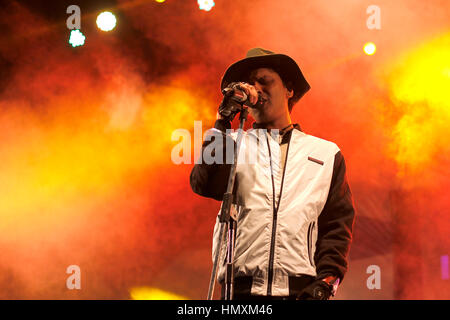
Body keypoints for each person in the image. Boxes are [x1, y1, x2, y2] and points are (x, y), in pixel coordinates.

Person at [190, 48, 355, 300]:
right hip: (240, 292)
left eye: (264, 81)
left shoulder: (325, 153)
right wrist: (222, 122)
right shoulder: (233, 143)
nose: (256, 89)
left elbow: (336, 225)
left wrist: (326, 281)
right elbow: (203, 184)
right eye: (249, 84)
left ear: (289, 90)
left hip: (299, 291)